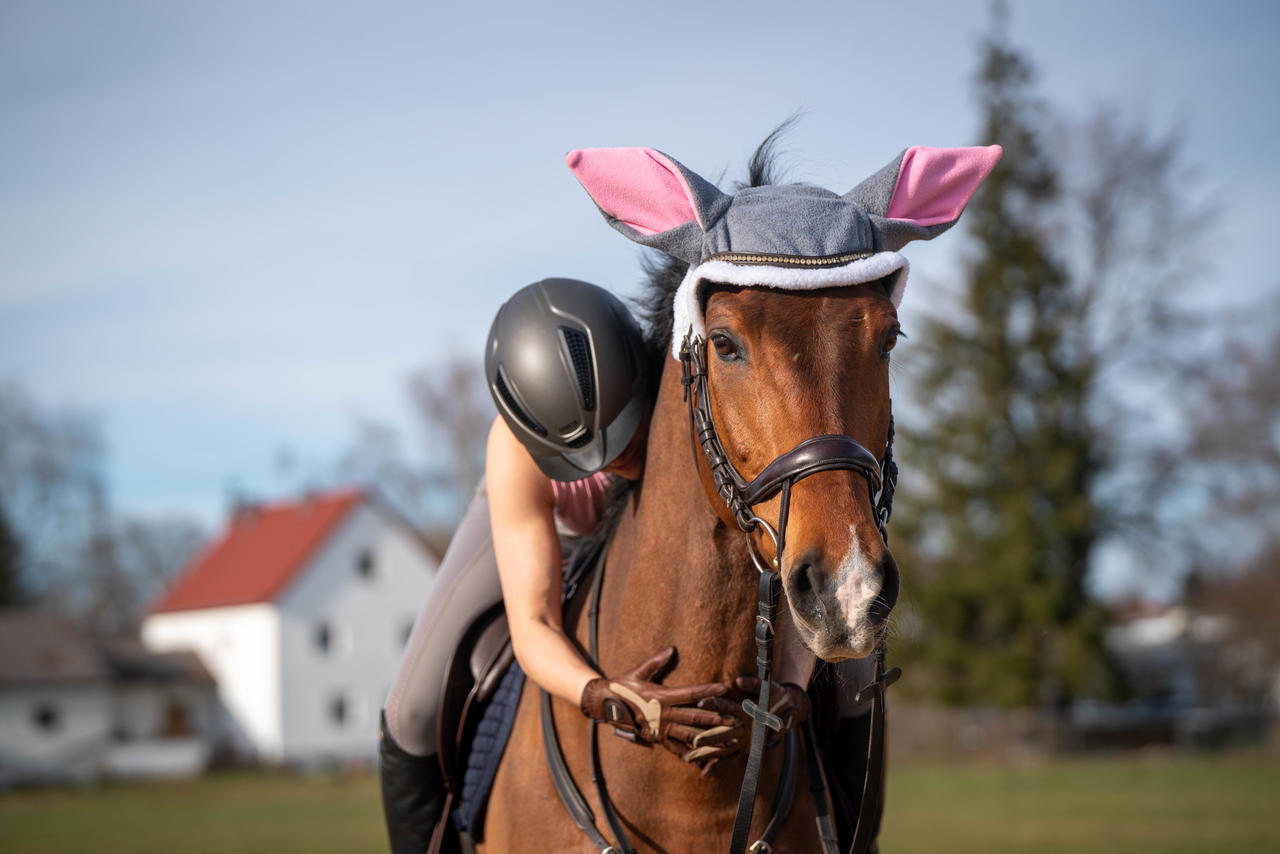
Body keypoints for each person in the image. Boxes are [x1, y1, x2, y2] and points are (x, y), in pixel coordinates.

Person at [378, 278, 746, 853]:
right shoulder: (516, 450)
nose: (619, 458)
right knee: (410, 710)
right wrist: (604, 695)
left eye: (628, 430)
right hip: (547, 523)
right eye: (593, 453)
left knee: (850, 677)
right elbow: (535, 626)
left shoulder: (682, 387)